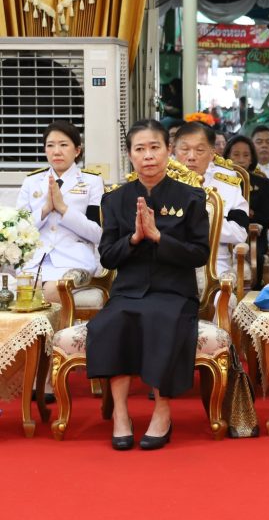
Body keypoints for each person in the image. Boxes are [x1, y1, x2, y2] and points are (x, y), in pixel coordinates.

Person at [86, 119, 210, 451]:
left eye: (155, 147)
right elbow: (108, 257)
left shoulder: (191, 197)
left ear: (168, 151)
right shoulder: (115, 200)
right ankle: (121, 414)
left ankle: (162, 412)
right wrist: (134, 238)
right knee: (111, 322)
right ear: (130, 155)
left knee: (162, 319)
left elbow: (199, 254)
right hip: (128, 291)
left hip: (174, 291)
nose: (148, 156)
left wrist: (158, 237)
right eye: (140, 149)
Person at [17, 121, 104, 306]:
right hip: (36, 262)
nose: (56, 151)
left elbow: (97, 233)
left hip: (75, 262)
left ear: (77, 150)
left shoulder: (91, 182)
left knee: (51, 290)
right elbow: (19, 231)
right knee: (26, 288)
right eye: (50, 145)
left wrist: (64, 209)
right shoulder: (32, 182)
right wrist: (45, 210)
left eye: (63, 145)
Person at [173, 123, 249, 281]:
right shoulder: (160, 181)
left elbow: (239, 233)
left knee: (221, 293)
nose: (191, 156)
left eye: (200, 150)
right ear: (173, 150)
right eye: (185, 149)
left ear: (212, 153)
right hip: (170, 262)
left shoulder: (227, 182)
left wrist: (202, 219)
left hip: (214, 264)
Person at [224, 136, 269, 290]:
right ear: (227, 156)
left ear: (252, 158)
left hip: (254, 235)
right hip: (224, 232)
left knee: (256, 255)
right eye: (236, 154)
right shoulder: (220, 181)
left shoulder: (264, 184)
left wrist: (250, 215)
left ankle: (255, 291)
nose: (241, 159)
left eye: (246, 155)